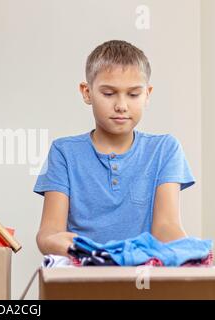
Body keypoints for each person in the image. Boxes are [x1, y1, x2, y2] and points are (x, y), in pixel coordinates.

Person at [34, 40, 195, 257]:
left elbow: (166, 227)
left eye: (133, 94)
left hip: (145, 280)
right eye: (109, 94)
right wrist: (84, 251)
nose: (121, 105)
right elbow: (48, 234)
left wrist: (188, 254)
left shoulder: (165, 149)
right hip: (83, 277)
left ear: (148, 94)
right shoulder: (64, 152)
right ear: (86, 92)